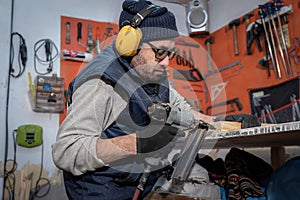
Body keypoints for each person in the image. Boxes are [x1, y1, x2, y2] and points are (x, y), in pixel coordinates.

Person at [52, 0, 260, 199]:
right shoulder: (102, 83)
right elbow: (67, 151)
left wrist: (221, 123)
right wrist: (140, 143)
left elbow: (182, 110)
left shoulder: (150, 70)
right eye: (160, 52)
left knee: (204, 184)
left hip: (138, 181)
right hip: (101, 189)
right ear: (130, 45)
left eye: (170, 53)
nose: (167, 62)